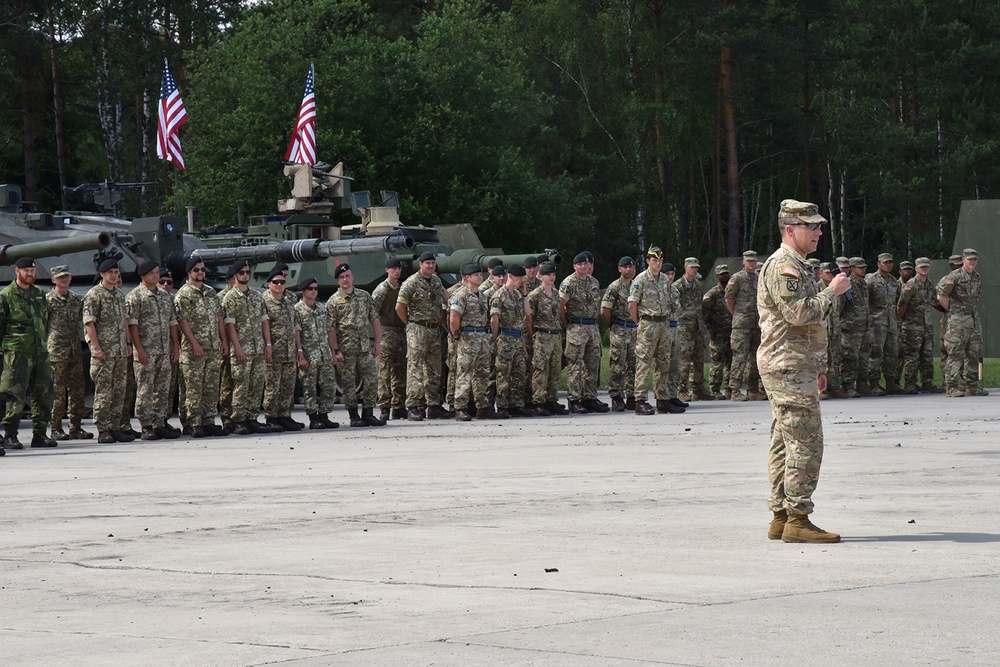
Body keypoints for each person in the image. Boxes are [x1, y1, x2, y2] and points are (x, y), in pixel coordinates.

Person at [758, 199, 851, 544]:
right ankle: (798, 517)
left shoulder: (798, 265)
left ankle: (781, 516)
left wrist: (819, 366)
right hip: (788, 366)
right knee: (806, 443)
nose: (818, 232)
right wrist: (832, 292)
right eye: (811, 226)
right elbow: (799, 314)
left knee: (785, 441)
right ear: (790, 229)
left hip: (796, 365)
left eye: (819, 226)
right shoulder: (786, 267)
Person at [0, 256, 57, 451]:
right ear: (17, 271)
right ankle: (10, 435)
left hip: (40, 351)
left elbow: (45, 321)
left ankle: (40, 434)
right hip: (17, 351)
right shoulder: (6, 295)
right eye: (26, 271)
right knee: (15, 393)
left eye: (32, 271)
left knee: (44, 393)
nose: (30, 274)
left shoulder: (40, 295)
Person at [126, 260, 181, 441]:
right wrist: (139, 349)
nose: (156, 275)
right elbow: (132, 325)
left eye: (157, 272)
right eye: (152, 273)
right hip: (146, 351)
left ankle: (159, 423)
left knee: (163, 388)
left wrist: (175, 345)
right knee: (145, 388)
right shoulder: (135, 296)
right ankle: (146, 425)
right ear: (143, 276)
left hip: (164, 349)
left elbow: (172, 322)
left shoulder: (165, 297)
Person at [175, 256, 229, 438]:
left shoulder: (211, 292)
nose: (200, 273)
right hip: (194, 349)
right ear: (189, 272)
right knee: (193, 388)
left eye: (202, 269)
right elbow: (183, 321)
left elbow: (219, 318)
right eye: (196, 270)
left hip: (213, 347)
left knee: (211, 387)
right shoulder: (183, 294)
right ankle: (194, 423)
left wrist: (223, 340)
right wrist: (194, 343)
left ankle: (208, 421)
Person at [220, 260, 275, 435]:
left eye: (247, 272)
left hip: (258, 347)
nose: (245, 275)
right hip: (242, 348)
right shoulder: (230, 298)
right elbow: (230, 326)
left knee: (256, 385)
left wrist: (267, 344)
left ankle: (252, 418)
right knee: (241, 385)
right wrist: (237, 348)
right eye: (242, 272)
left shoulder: (257, 296)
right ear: (235, 275)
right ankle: (238, 420)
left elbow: (264, 321)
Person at [82, 259, 134, 443]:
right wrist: (95, 348)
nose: (114, 275)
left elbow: (124, 322)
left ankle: (115, 426)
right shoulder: (94, 295)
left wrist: (128, 343)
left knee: (119, 391)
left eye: (116, 272)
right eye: (110, 272)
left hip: (119, 350)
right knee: (104, 392)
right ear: (102, 274)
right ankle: (103, 429)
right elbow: (89, 323)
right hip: (103, 352)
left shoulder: (119, 295)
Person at [328, 263, 385, 427]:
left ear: (352, 277)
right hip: (346, 349)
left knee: (372, 379)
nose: (345, 280)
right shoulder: (333, 301)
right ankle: (353, 415)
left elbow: (374, 318)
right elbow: (330, 328)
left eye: (347, 276)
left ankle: (368, 413)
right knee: (348, 383)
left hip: (365, 347)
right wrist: (336, 350)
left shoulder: (364, 296)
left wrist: (378, 342)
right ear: (338, 280)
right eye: (341, 277)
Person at [396, 251, 450, 421]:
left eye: (433, 263)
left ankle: (433, 405)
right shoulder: (411, 282)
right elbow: (400, 306)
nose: (431, 266)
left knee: (435, 369)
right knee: (415, 368)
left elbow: (445, 299)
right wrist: (410, 324)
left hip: (434, 329)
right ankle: (413, 406)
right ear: (420, 264)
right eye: (427, 263)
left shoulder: (436, 281)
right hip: (417, 328)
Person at [628, 245, 678, 415]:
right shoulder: (641, 280)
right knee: (644, 362)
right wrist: (639, 323)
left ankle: (663, 399)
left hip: (663, 323)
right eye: (654, 260)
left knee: (664, 362)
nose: (657, 263)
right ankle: (640, 400)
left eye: (660, 260)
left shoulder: (665, 280)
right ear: (648, 261)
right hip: (648, 324)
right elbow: (632, 304)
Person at [46, 264, 92, 440]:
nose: (64, 280)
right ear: (54, 280)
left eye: (66, 276)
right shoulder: (48, 300)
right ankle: (55, 427)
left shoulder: (76, 299)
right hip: (56, 351)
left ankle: (76, 427)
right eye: (60, 277)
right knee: (57, 392)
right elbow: (43, 325)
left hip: (74, 350)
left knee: (77, 391)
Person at [560, 252, 609, 414]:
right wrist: (567, 323)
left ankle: (590, 397)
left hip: (592, 328)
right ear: (575, 266)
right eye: (580, 264)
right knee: (575, 365)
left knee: (593, 364)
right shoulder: (569, 283)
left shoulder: (594, 282)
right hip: (576, 326)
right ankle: (574, 399)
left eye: (587, 264)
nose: (584, 267)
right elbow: (561, 305)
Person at [938, 248, 987, 397]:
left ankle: (971, 385)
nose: (972, 262)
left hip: (973, 320)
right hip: (958, 322)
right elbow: (941, 295)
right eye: (969, 259)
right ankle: (951, 386)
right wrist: (952, 310)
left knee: (973, 352)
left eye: (974, 260)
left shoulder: (976, 276)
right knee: (955, 352)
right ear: (963, 260)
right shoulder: (955, 276)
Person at [292, 277, 340, 430]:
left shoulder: (321, 308)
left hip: (324, 354)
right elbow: (296, 334)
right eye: (310, 289)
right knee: (309, 388)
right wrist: (300, 354)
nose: (314, 291)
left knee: (329, 386)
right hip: (309, 355)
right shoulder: (297, 310)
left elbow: (329, 331)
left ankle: (324, 415)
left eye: (316, 289)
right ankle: (313, 418)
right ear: (303, 291)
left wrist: (334, 352)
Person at [262, 266, 306, 431]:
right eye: (276, 282)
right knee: (273, 386)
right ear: (269, 284)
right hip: (274, 351)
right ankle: (271, 417)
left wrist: (299, 349)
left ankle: (285, 416)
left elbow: (295, 326)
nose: (279, 285)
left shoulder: (290, 301)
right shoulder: (264, 301)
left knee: (288, 386)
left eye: (282, 282)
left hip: (289, 351)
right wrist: (267, 345)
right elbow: (262, 325)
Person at [449, 263, 493, 421]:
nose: (480, 277)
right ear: (467, 278)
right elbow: (454, 317)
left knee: (482, 373)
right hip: (467, 337)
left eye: (480, 274)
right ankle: (460, 407)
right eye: (476, 275)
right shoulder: (461, 295)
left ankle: (482, 407)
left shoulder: (481, 295)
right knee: (464, 373)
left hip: (481, 337)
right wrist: (456, 336)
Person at [491, 263, 531, 419]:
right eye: (519, 277)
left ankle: (516, 404)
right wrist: (496, 338)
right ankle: (502, 406)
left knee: (518, 373)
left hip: (518, 338)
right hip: (506, 338)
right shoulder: (499, 295)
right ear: (511, 276)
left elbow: (527, 313)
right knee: (503, 374)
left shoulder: (518, 295)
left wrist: (525, 293)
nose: (521, 280)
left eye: (523, 278)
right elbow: (494, 319)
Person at [528, 262, 567, 416]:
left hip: (555, 335)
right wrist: (534, 334)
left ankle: (552, 399)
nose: (551, 277)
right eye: (548, 275)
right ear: (541, 276)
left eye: (553, 275)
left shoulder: (556, 294)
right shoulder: (535, 295)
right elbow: (529, 317)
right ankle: (539, 401)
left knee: (555, 369)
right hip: (542, 335)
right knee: (540, 370)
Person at [601, 256, 637, 411]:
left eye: (631, 267)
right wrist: (613, 326)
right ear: (619, 269)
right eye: (625, 267)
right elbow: (604, 311)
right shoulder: (614, 287)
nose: (628, 269)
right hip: (619, 329)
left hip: (634, 329)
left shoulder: (637, 285)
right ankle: (616, 397)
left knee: (634, 365)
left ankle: (632, 396)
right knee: (618, 365)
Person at [726, 250, 764, 401]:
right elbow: (729, 298)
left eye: (753, 261)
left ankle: (752, 389)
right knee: (739, 357)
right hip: (741, 324)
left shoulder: (757, 278)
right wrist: (736, 314)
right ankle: (734, 389)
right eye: (748, 261)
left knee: (755, 357)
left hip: (756, 324)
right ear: (743, 262)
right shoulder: (737, 278)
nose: (751, 264)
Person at [372, 258, 407, 421]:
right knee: (384, 372)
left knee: (400, 371)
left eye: (398, 269)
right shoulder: (381, 290)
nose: (397, 271)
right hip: (386, 332)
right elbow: (373, 314)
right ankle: (384, 407)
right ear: (387, 270)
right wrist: (376, 338)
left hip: (401, 333)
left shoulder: (402, 288)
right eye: (393, 269)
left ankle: (398, 406)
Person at [897, 257, 937, 393]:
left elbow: (933, 302)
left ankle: (927, 383)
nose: (924, 269)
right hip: (912, 328)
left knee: (927, 356)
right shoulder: (910, 286)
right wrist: (905, 321)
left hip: (926, 327)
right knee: (911, 357)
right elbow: (901, 306)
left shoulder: (930, 285)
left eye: (926, 267)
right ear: (916, 269)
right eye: (921, 267)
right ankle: (910, 384)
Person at [866, 252, 902, 395]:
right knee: (876, 353)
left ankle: (890, 382)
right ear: (878, 264)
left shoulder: (894, 281)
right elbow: (865, 300)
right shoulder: (871, 280)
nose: (888, 265)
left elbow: (897, 301)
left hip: (891, 323)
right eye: (885, 262)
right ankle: (874, 383)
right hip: (876, 324)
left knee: (892, 353)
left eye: (890, 262)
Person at [674, 257, 710, 401]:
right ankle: (681, 390)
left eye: (696, 268)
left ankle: (698, 389)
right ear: (685, 267)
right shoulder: (678, 286)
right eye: (692, 267)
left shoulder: (697, 285)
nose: (694, 270)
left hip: (698, 327)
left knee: (699, 359)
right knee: (684, 360)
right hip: (684, 329)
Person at [840, 257, 871, 397]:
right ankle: (848, 386)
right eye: (860, 267)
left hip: (864, 326)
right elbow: (840, 307)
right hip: (851, 328)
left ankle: (862, 384)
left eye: (864, 267)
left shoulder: (863, 284)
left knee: (864, 357)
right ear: (852, 269)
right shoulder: (847, 284)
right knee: (850, 357)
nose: (863, 269)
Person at [702, 264, 733, 400]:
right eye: (722, 274)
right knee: (717, 363)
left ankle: (729, 389)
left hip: (731, 332)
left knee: (731, 362)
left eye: (726, 273)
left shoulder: (732, 291)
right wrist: (710, 329)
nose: (724, 276)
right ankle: (714, 389)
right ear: (717, 276)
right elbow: (705, 313)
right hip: (717, 333)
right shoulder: (712, 294)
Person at [817, 263, 845, 400]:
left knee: (835, 357)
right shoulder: (817, 288)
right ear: (820, 273)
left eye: (831, 273)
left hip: (834, 327)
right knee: (821, 359)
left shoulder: (837, 288)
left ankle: (834, 387)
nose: (829, 275)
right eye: (826, 273)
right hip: (822, 328)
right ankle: (820, 389)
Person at [935, 254, 964, 381]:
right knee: (948, 350)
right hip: (950, 320)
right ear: (951, 266)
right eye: (956, 265)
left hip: (964, 320)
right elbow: (936, 299)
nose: (958, 267)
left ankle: (964, 379)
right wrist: (948, 309)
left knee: (963, 349)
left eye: (960, 264)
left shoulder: (967, 279)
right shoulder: (946, 280)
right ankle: (948, 381)